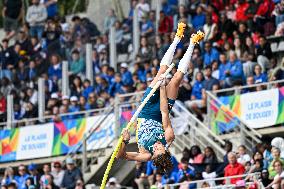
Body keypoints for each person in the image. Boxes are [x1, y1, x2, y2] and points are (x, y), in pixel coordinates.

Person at [116, 24, 204, 174]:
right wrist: (162, 87)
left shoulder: (146, 155)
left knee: (162, 71)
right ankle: (190, 42)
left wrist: (124, 141)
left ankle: (177, 39)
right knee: (176, 79)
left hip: (146, 111)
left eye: (156, 149)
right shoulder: (168, 137)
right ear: (166, 150)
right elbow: (164, 113)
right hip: (160, 114)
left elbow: (120, 156)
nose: (157, 146)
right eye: (160, 148)